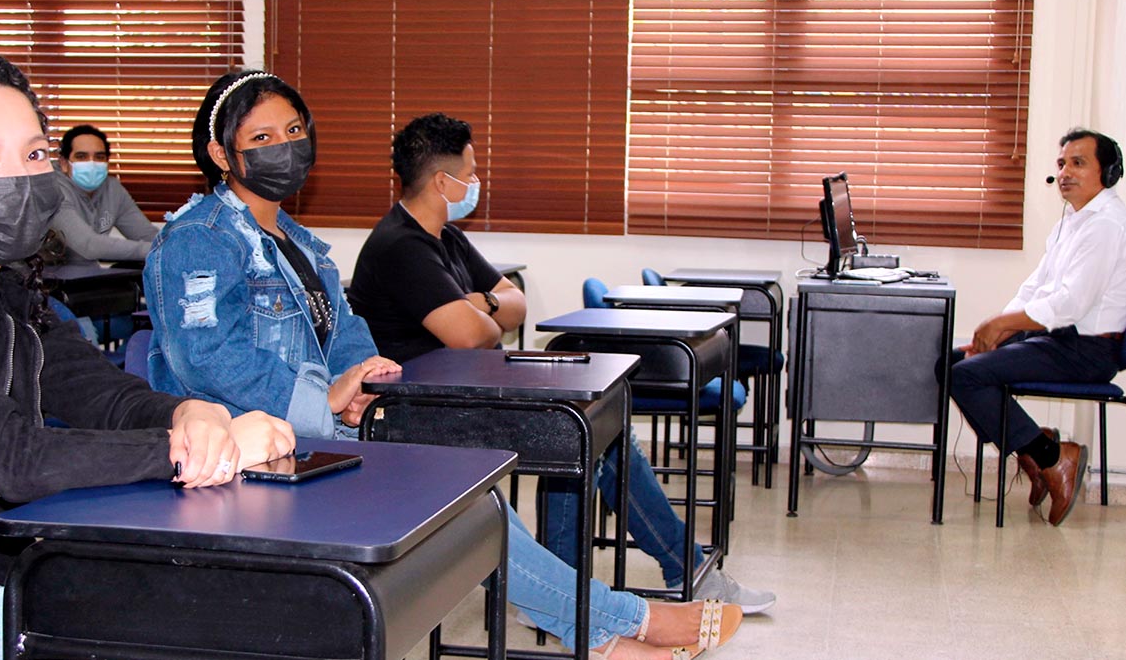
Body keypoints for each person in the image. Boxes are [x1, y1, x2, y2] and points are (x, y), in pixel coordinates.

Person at [145, 70, 742, 659]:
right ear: (221, 153)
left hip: (318, 437)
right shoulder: (199, 240)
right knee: (463, 513)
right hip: (245, 455)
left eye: (295, 129)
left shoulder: (300, 242)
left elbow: (347, 331)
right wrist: (325, 399)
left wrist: (366, 379)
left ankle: (608, 635)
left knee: (474, 502)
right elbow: (206, 359)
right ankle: (627, 623)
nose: (286, 148)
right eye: (262, 139)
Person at [0, 48, 296, 660]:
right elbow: (13, 457)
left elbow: (101, 394)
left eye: (33, 156)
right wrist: (190, 448)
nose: (20, 180)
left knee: (184, 633)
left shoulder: (5, 289)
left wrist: (187, 412)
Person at [348, 113, 775, 612]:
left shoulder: (447, 237)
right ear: (443, 181)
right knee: (579, 432)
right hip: (421, 412)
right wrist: (484, 312)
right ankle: (585, 593)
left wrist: (477, 305)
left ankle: (636, 578)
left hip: (469, 392)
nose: (477, 183)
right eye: (472, 172)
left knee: (601, 427)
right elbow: (469, 337)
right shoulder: (401, 245)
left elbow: (515, 303)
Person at [950, 128, 1126, 526]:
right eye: (1061, 163)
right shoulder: (1072, 221)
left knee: (967, 378)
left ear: (1108, 172)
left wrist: (1001, 325)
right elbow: (1037, 288)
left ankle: (1052, 458)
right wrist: (997, 333)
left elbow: (1070, 304)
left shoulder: (1106, 226)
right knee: (948, 363)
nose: (1065, 172)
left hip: (1088, 349)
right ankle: (1037, 450)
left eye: (1078, 163)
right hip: (1058, 337)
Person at [50, 123, 159, 263]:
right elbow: (89, 246)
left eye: (99, 157)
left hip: (88, 276)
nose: (92, 163)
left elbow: (147, 234)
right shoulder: (52, 190)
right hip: (49, 278)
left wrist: (175, 246)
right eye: (81, 157)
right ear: (64, 163)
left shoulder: (112, 189)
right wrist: (159, 251)